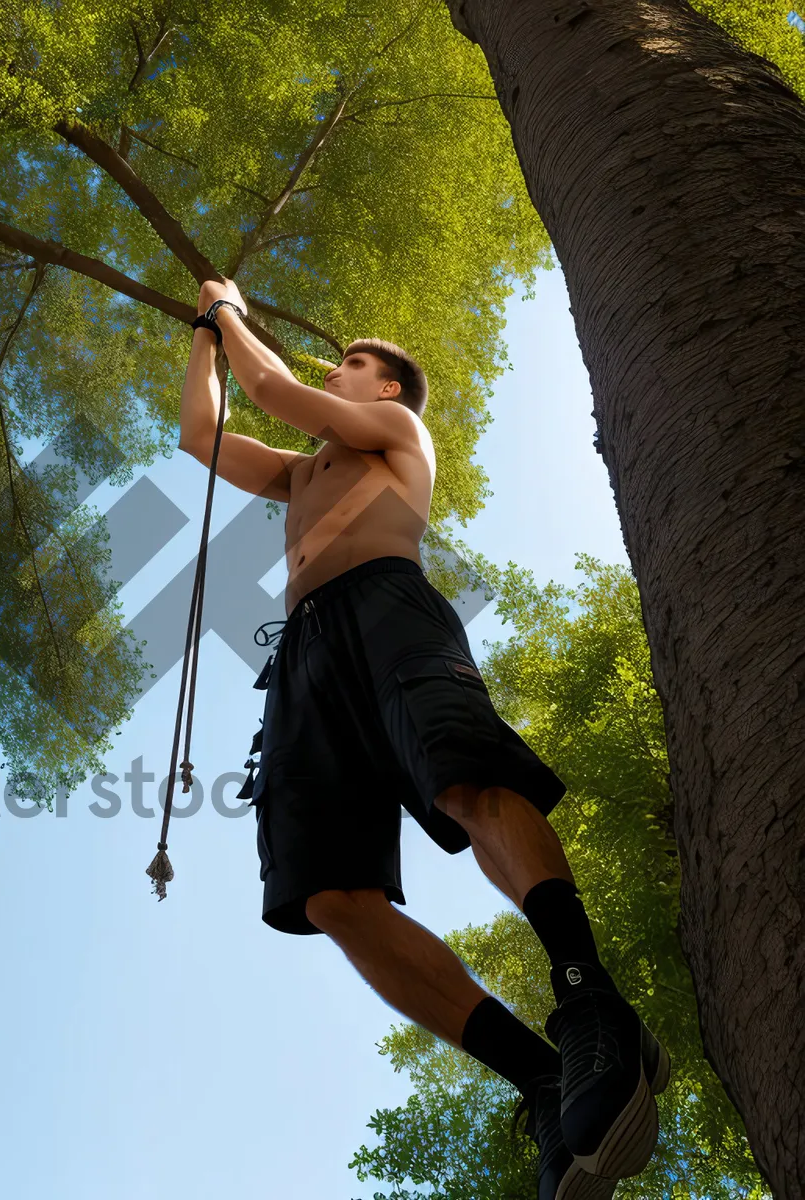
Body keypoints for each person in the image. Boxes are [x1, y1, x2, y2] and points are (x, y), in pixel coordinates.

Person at [178, 277, 671, 1200]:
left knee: (466, 780)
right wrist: (204, 337)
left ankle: (590, 1001)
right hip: (304, 658)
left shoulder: (397, 438)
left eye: (350, 365)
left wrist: (232, 305)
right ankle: (543, 1079)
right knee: (326, 895)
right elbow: (198, 439)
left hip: (388, 609)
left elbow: (274, 390)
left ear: (387, 392)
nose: (334, 369)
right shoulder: (298, 473)